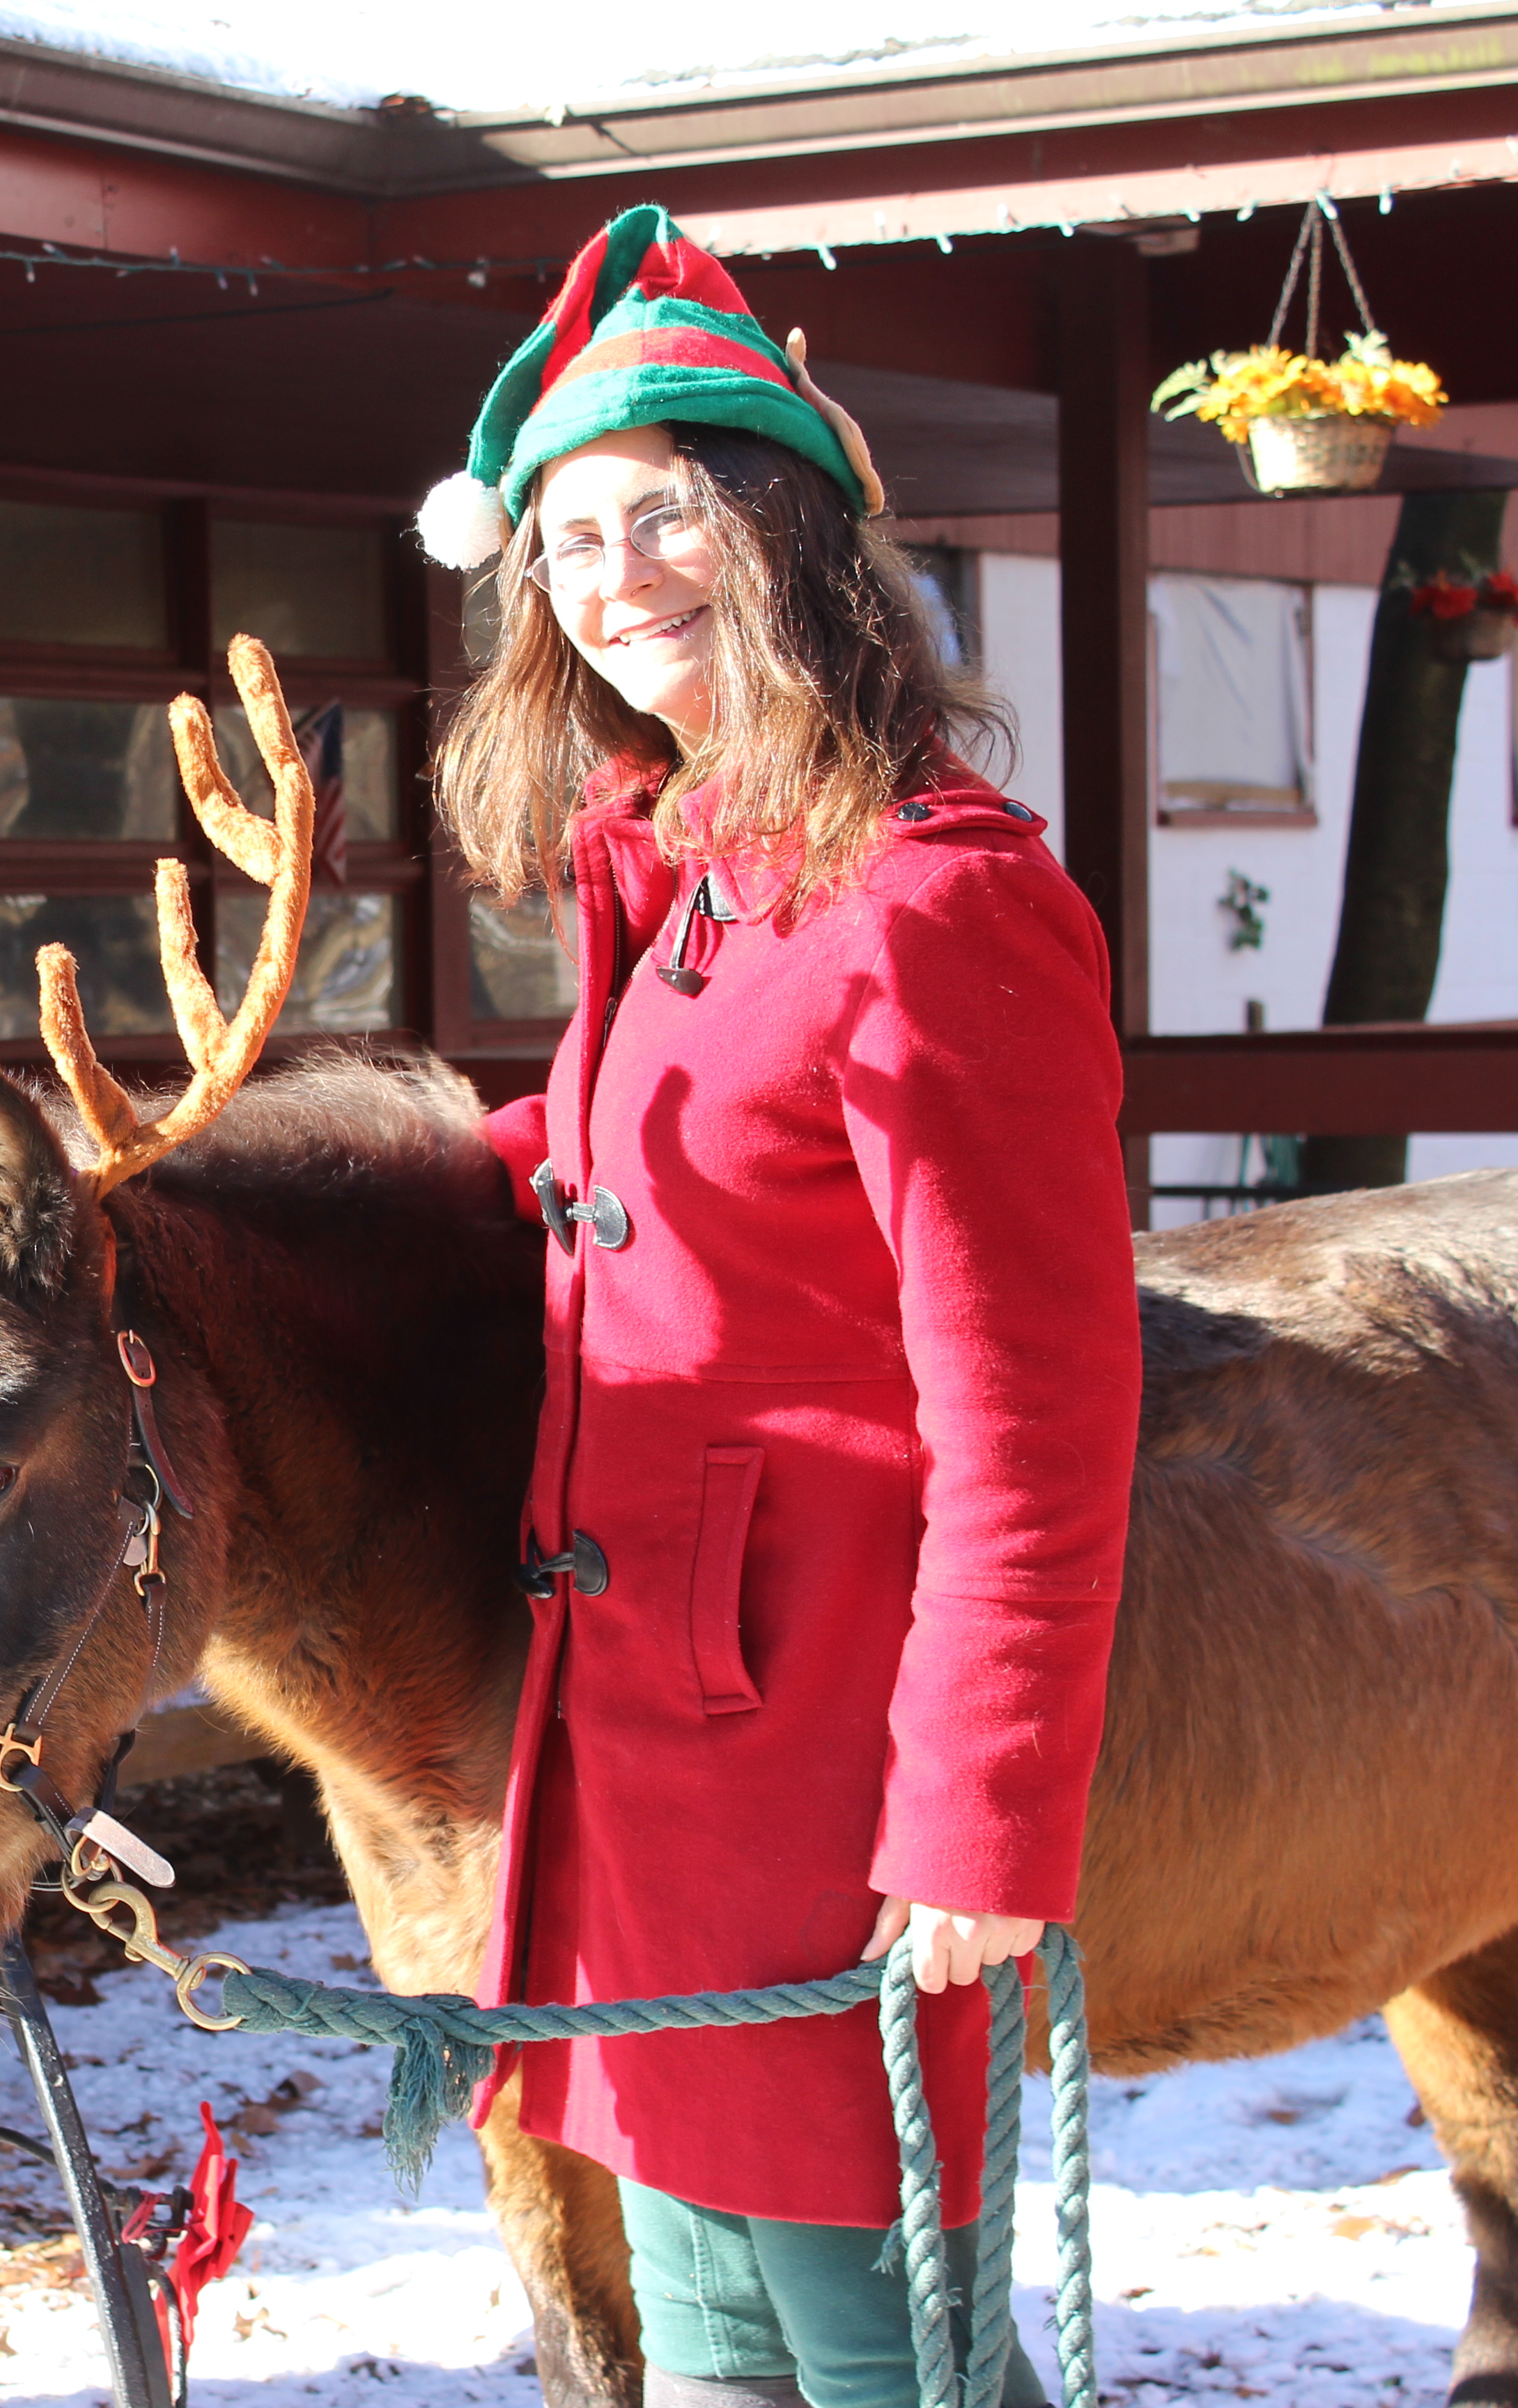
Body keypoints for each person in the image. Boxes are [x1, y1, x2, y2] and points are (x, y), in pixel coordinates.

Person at [417, 207, 1143, 2408]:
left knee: (879, 2350)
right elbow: (627, 1176)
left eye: (664, 515)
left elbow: (1035, 1415)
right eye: (564, 540)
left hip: (833, 1762)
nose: (612, 576)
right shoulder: (680, 866)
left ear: (784, 531)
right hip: (648, 1752)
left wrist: (977, 1824)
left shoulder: (941, 902)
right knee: (715, 2335)